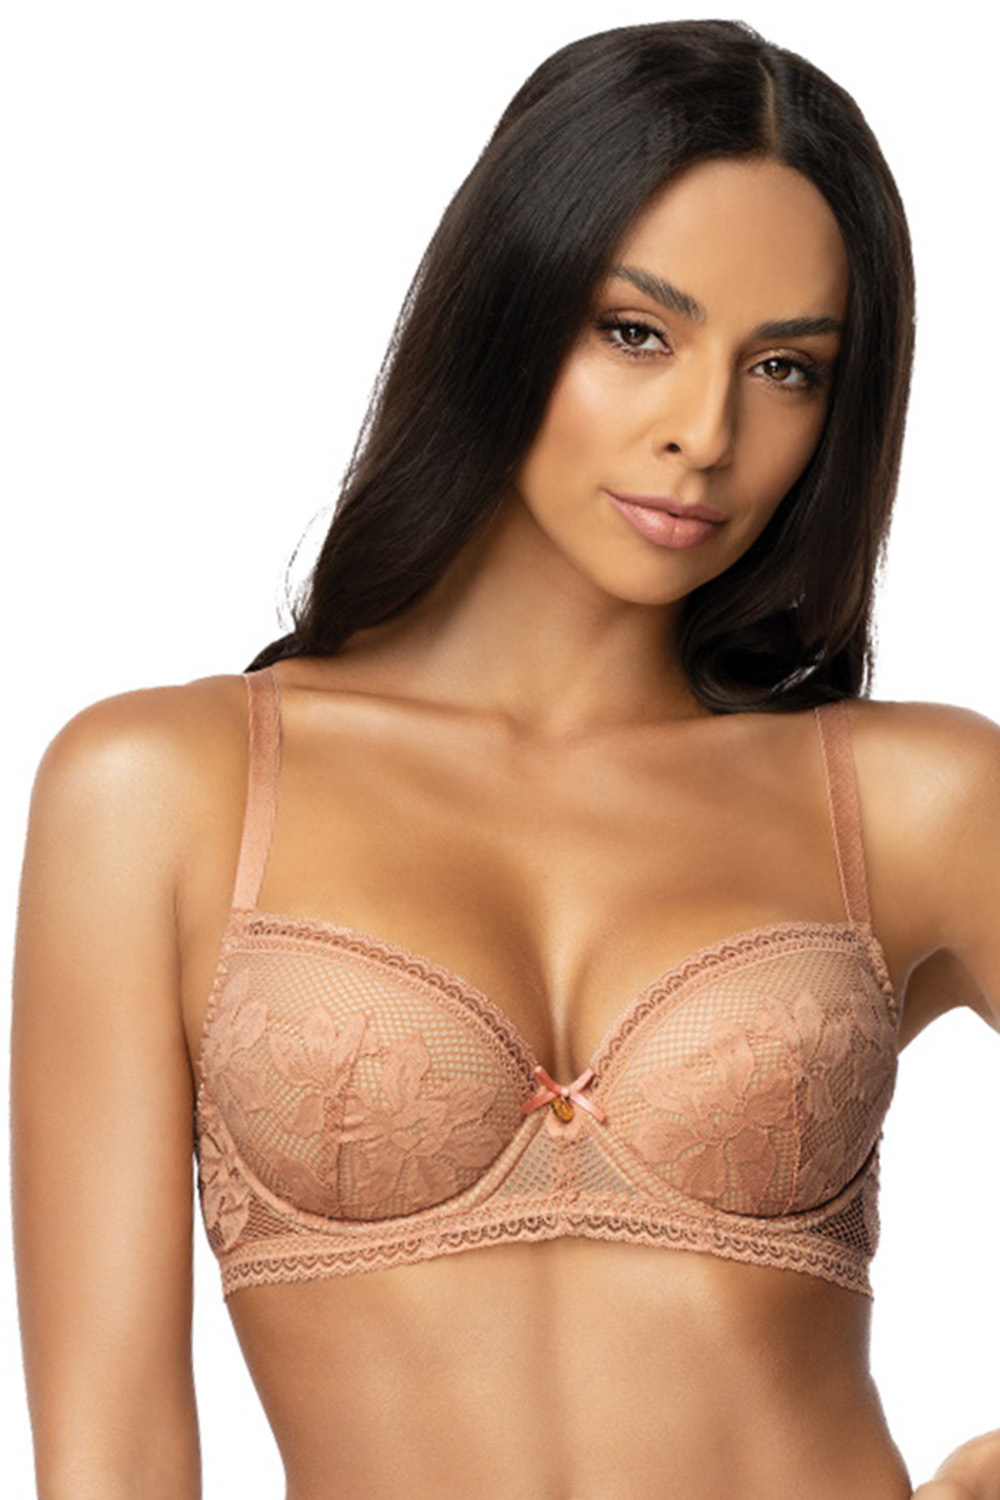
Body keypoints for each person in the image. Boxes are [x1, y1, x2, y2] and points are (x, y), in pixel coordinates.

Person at [10, 17, 1000, 1500]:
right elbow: (115, 1460)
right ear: (506, 304)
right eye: (636, 332)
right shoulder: (161, 789)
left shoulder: (916, 797)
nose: (705, 432)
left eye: (787, 367)